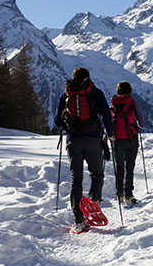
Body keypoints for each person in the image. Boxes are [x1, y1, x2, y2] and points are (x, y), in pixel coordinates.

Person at [55, 67, 115, 231]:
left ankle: (79, 220)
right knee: (97, 173)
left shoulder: (66, 94)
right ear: (88, 77)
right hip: (93, 139)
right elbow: (106, 115)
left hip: (73, 141)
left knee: (76, 179)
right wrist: (110, 134)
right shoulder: (95, 92)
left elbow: (57, 121)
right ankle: (93, 203)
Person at [110, 81, 146, 204]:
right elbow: (142, 122)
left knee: (119, 167)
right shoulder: (132, 103)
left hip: (117, 140)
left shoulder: (113, 104)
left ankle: (119, 193)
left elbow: (109, 121)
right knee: (129, 167)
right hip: (131, 139)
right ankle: (128, 195)